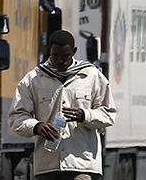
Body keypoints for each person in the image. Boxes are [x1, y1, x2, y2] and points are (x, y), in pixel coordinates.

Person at [8, 30, 115, 180]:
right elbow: (16, 117)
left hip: (81, 164)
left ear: (74, 51)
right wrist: (37, 126)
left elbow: (109, 114)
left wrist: (85, 115)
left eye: (65, 56)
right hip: (48, 165)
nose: (60, 60)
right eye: (55, 55)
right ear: (49, 51)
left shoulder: (91, 76)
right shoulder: (33, 79)